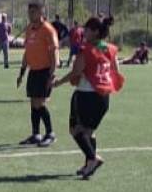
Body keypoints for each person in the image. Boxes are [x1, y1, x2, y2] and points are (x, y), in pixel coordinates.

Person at [53, 16, 124, 178]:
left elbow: (75, 73)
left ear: (96, 32)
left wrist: (58, 83)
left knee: (76, 130)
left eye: (87, 29)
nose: (83, 31)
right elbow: (116, 71)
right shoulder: (111, 49)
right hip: (103, 97)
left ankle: (93, 158)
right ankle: (88, 166)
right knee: (89, 132)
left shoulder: (86, 50)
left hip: (86, 95)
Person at [15, 1, 60, 147]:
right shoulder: (29, 29)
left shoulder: (48, 30)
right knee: (33, 104)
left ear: (41, 13)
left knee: (39, 103)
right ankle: (36, 134)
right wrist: (22, 73)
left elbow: (54, 54)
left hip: (45, 71)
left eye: (33, 12)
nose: (30, 15)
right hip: (33, 71)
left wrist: (52, 74)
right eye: (29, 12)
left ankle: (50, 134)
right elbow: (27, 52)